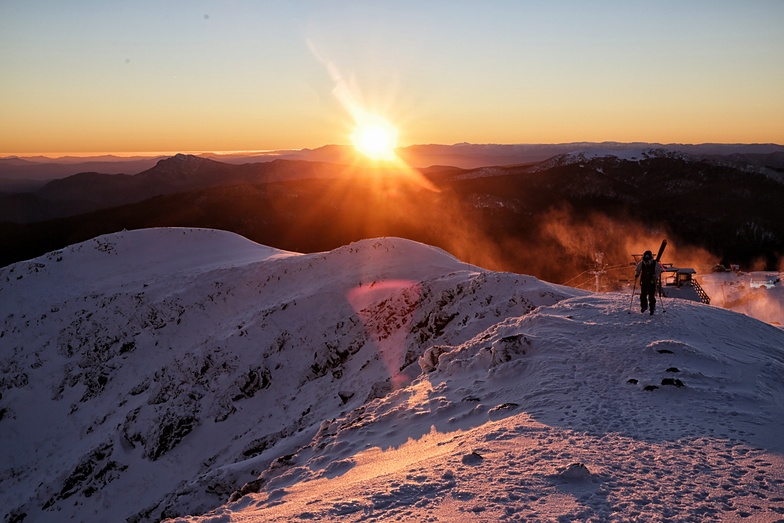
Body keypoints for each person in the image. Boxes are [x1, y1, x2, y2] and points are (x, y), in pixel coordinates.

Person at [635, 250, 663, 315]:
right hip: (644, 281)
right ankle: (644, 307)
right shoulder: (642, 263)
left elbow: (658, 271)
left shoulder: (655, 263)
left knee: (651, 296)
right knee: (643, 295)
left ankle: (652, 308)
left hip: (652, 282)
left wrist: (655, 277)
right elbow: (638, 269)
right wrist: (637, 274)